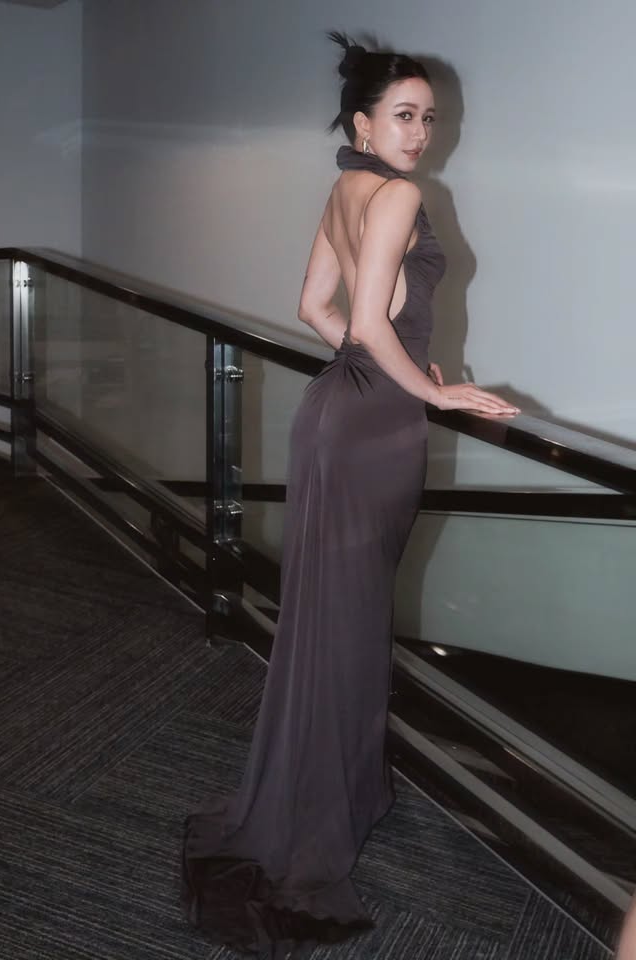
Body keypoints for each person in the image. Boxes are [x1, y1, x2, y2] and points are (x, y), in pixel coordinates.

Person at [181, 32, 519, 958]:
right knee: (353, 619)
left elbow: (317, 311)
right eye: (403, 115)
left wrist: (394, 371)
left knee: (330, 618)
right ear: (363, 124)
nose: (420, 132)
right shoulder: (399, 194)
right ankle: (327, 813)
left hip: (337, 414)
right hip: (374, 431)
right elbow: (368, 321)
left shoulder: (344, 191)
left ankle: (335, 792)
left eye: (428, 118)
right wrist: (433, 392)